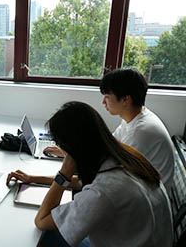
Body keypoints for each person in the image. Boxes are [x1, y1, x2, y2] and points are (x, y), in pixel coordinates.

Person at [7, 101, 173, 247]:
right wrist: (33, 178)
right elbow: (81, 183)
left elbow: (42, 220)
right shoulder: (124, 156)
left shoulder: (104, 193)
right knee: (54, 239)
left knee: (44, 235)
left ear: (73, 149)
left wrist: (64, 172)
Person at [45, 68, 174, 195]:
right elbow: (106, 150)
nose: (103, 102)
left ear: (125, 100)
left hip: (143, 203)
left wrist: (36, 178)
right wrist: (69, 152)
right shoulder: (134, 118)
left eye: (107, 97)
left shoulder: (140, 132)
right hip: (136, 190)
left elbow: (101, 175)